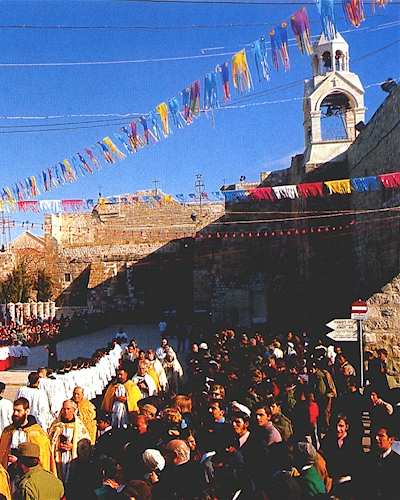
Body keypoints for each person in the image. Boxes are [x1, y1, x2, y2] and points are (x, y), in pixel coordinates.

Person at [0, 397, 56, 476]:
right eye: (14, 410)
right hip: (10, 473)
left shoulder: (37, 433)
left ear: (27, 411)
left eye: (19, 411)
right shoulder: (8, 431)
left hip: (29, 474)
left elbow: (42, 459)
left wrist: (18, 461)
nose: (15, 413)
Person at [48, 399, 90, 483]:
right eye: (64, 409)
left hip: (72, 458)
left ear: (73, 410)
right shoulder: (55, 425)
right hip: (58, 457)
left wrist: (74, 447)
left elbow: (86, 443)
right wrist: (57, 445)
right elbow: (49, 441)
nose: (65, 411)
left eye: (68, 409)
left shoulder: (79, 426)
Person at [362, 425, 400, 499]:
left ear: (391, 440)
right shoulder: (368, 459)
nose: (376, 438)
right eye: (376, 435)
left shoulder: (397, 462)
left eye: (381, 436)